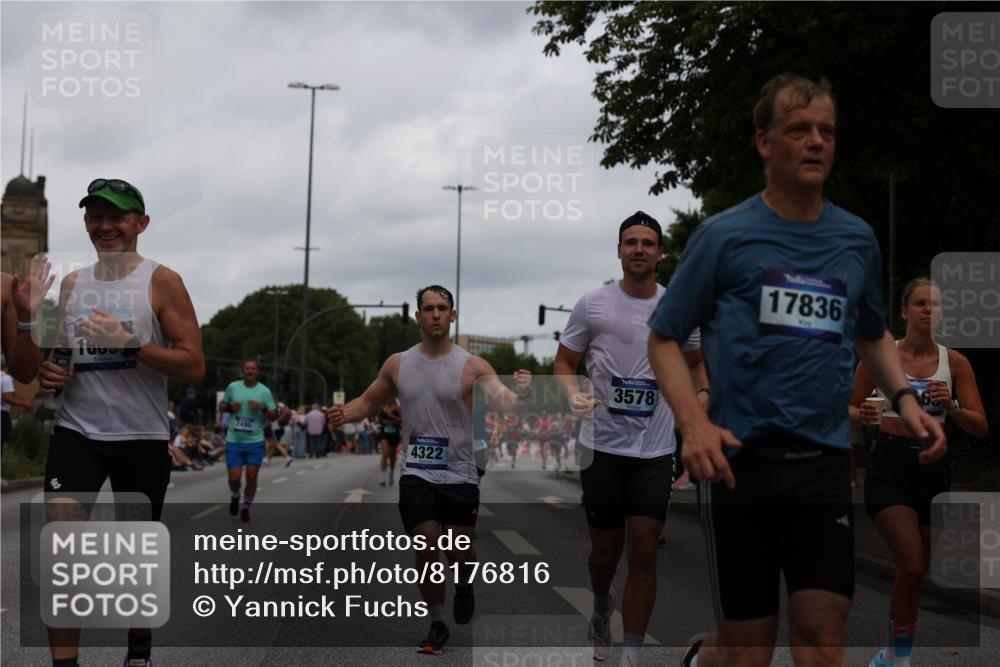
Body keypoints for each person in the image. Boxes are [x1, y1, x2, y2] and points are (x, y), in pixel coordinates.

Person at [645, 75, 947, 667]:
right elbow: (663, 338)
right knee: (746, 654)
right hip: (741, 465)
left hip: (823, 463)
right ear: (765, 143)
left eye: (826, 132)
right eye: (799, 130)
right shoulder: (724, 237)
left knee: (821, 644)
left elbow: (870, 331)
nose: (816, 142)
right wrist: (693, 426)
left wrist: (906, 401)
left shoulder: (855, 239)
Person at [23, 178, 204, 667]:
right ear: (85, 223)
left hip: (141, 436)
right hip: (78, 432)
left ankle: (139, 647)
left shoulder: (162, 282)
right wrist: (52, 371)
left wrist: (133, 345)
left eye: (117, 217)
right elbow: (61, 355)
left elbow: (193, 365)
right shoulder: (74, 282)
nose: (105, 226)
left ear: (140, 224)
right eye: (95, 216)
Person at [326, 284, 532, 655]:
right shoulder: (398, 364)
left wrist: (524, 393)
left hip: (460, 471)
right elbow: (368, 401)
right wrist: (345, 414)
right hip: (417, 470)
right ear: (417, 316)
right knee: (425, 544)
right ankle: (437, 621)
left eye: (442, 308)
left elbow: (507, 406)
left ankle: (464, 584)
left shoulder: (473, 366)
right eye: (428, 308)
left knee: (458, 552)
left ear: (453, 316)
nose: (435, 314)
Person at [554, 211, 706, 667]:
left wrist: (700, 393)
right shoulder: (592, 305)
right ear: (618, 251)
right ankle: (602, 602)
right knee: (605, 551)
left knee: (644, 547)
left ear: (660, 253)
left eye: (648, 242)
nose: (639, 248)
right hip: (601, 444)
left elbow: (698, 362)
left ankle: (632, 654)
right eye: (630, 241)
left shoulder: (678, 306)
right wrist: (573, 394)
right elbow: (565, 362)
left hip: (655, 449)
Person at [851, 278, 988, 667]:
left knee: (915, 574)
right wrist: (862, 414)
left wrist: (955, 406)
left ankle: (891, 654)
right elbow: (848, 406)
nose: (930, 310)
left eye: (937, 305)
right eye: (921, 303)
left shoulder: (955, 362)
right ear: (905, 311)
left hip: (933, 468)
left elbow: (980, 427)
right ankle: (899, 662)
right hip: (889, 465)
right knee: (910, 563)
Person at [219, 359, 277, 522]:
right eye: (247, 368)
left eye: (253, 368)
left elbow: (274, 415)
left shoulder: (264, 391)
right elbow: (222, 406)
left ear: (257, 371)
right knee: (234, 478)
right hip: (234, 440)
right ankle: (236, 495)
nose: (250, 371)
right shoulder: (233, 387)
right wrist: (230, 407)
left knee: (251, 476)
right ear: (242, 371)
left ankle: (246, 507)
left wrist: (262, 408)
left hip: (255, 440)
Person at [376, 399, 403, 484]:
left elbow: (402, 420)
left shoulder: (397, 407)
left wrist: (391, 416)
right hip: (384, 432)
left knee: (392, 456)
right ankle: (382, 477)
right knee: (385, 453)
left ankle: (391, 473)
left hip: (394, 433)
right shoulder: (382, 407)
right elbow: (378, 420)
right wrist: (381, 421)